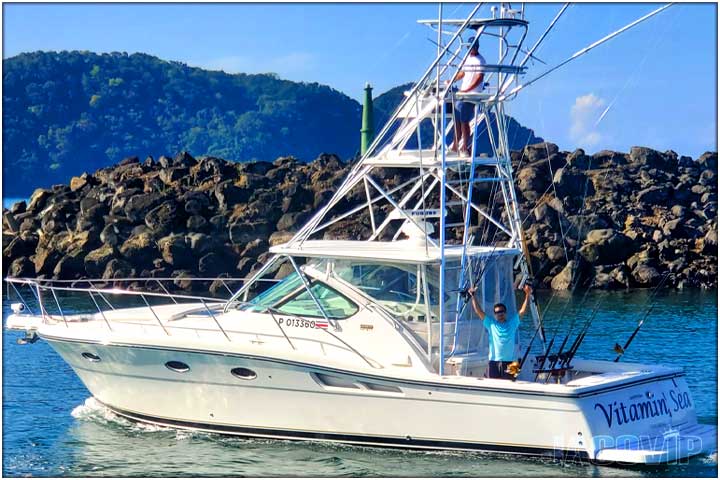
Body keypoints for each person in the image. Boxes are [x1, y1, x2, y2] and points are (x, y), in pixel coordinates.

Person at [467, 284, 532, 380]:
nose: (500, 314)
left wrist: (527, 295)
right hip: (494, 361)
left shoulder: (512, 323)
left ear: (505, 313)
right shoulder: (491, 324)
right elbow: (478, 311)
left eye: (502, 311)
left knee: (512, 387)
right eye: (497, 312)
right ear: (494, 315)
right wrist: (473, 296)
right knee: (491, 386)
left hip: (512, 362)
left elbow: (522, 311)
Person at [450, 39, 486, 156]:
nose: (470, 50)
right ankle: (455, 146)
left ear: (476, 47)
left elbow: (479, 78)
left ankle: (465, 146)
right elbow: (463, 73)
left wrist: (468, 89)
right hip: (462, 92)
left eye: (471, 47)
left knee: (464, 121)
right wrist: (452, 79)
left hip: (471, 94)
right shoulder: (467, 58)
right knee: (457, 120)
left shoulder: (480, 60)